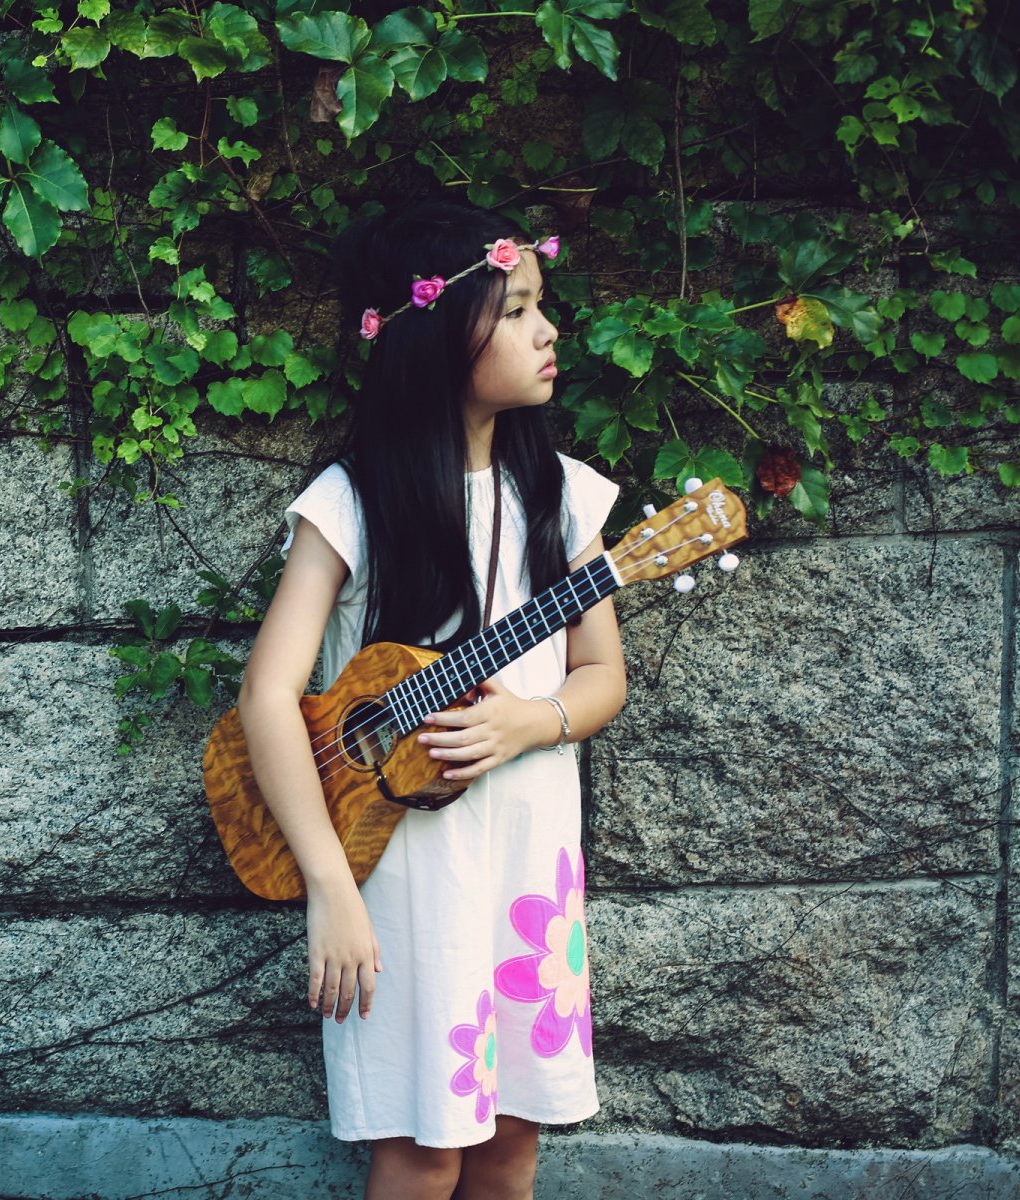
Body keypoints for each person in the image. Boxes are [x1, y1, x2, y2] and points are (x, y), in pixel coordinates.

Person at [236, 200, 629, 1200]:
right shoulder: (352, 501)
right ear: (436, 338)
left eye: (545, 309)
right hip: (402, 874)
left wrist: (528, 722)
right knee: (422, 1150)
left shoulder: (566, 496)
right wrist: (328, 887)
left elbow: (600, 678)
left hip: (529, 865)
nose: (548, 333)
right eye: (518, 312)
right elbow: (270, 695)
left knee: (510, 1149)